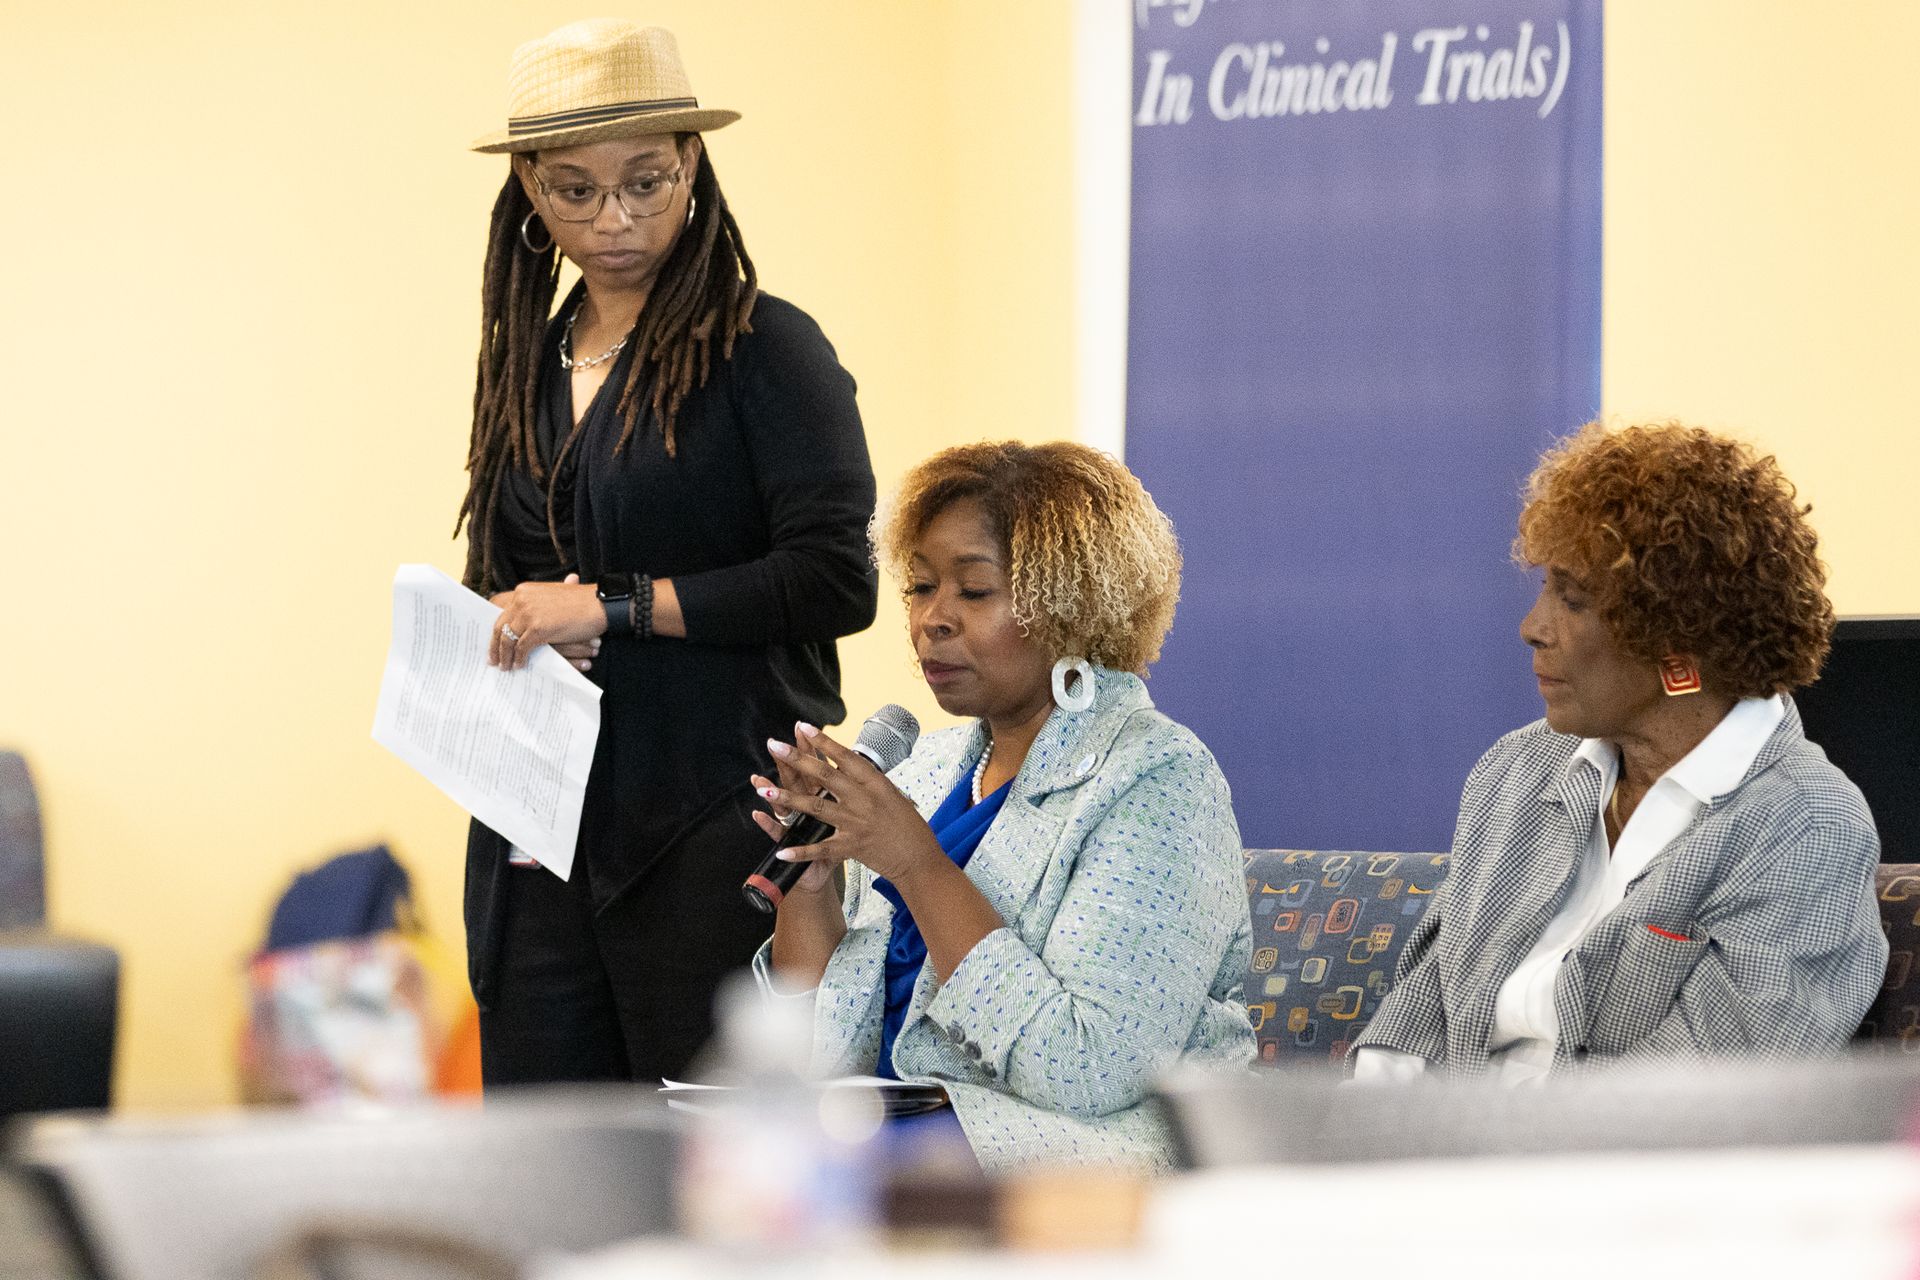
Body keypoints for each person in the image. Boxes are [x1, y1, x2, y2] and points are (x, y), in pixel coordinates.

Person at [456, 21, 877, 1085]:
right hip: (543, 820)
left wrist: (612, 605)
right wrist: (504, 623)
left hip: (711, 824)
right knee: (551, 1162)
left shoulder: (765, 348)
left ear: (692, 162)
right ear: (528, 189)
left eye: (646, 180)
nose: (616, 218)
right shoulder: (532, 363)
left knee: (700, 1163)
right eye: (575, 190)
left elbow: (836, 576)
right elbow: (504, 572)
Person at [751, 442, 1254, 1170]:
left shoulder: (1157, 779)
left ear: (1074, 606)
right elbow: (820, 1060)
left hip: (1090, 1158)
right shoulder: (921, 774)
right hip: (893, 1140)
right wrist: (810, 882)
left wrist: (915, 864)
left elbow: (1090, 1071)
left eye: (974, 591)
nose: (933, 620)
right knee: (724, 1153)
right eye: (920, 589)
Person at [1353, 421, 1886, 1082]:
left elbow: (1694, 1112)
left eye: (1571, 600)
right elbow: (1422, 1012)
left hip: (1597, 1176)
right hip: (1432, 1166)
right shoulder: (1516, 772)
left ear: (1676, 641)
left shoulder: (1806, 830)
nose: (1532, 628)